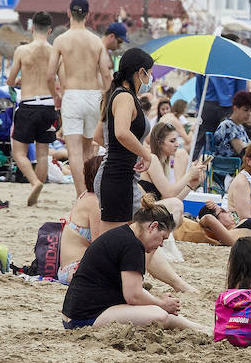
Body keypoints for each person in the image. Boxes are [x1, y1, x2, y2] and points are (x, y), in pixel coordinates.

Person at [59, 194, 205, 332]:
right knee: (159, 315)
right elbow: (133, 296)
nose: (161, 244)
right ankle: (199, 329)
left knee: (158, 311)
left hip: (76, 314)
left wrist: (160, 303)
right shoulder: (132, 245)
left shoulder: (122, 235)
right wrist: (161, 303)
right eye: (162, 238)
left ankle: (199, 328)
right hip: (85, 318)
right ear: (153, 227)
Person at [48, 0, 113, 196]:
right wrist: (107, 100)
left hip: (73, 95)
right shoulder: (96, 41)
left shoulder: (61, 40)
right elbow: (107, 75)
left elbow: (50, 75)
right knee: (87, 149)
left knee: (74, 150)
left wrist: (56, 97)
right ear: (88, 15)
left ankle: (81, 194)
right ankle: (91, 192)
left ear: (69, 13)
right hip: (93, 95)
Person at [96, 48, 156, 234]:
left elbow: (100, 135)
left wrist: (125, 150)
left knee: (135, 235)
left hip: (122, 176)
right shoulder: (124, 96)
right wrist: (144, 153)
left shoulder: (120, 95)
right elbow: (121, 132)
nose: (150, 79)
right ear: (141, 72)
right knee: (115, 239)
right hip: (116, 177)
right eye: (150, 73)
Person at [7, 11, 60, 207]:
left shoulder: (22, 51)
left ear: (31, 27)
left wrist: (21, 80)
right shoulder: (55, 51)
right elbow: (57, 79)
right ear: (50, 30)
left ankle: (34, 182)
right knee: (43, 153)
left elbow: (10, 81)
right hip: (48, 105)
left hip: (29, 105)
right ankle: (37, 191)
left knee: (19, 152)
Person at [141, 122, 206, 201]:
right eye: (172, 141)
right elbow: (169, 194)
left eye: (176, 140)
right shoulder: (152, 159)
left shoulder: (164, 164)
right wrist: (189, 175)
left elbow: (172, 200)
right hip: (143, 211)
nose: (177, 144)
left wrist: (190, 185)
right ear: (159, 143)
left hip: (154, 209)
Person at [210, 90, 251, 158]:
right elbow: (243, 152)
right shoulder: (228, 126)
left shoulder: (239, 126)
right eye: (246, 110)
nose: (249, 114)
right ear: (235, 108)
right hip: (227, 166)